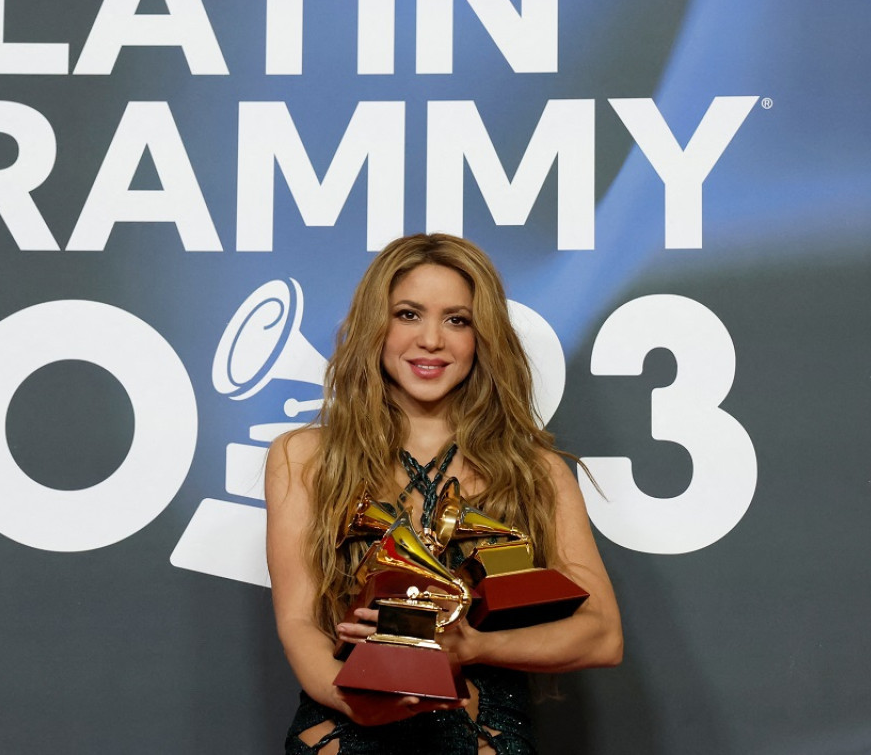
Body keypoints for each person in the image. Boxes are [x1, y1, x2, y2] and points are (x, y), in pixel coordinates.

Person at [266, 233, 623, 754]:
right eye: (408, 314)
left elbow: (602, 635)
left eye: (457, 319)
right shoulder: (303, 456)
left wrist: (473, 647)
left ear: (483, 336)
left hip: (486, 732)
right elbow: (299, 622)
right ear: (375, 325)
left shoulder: (538, 472)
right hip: (346, 728)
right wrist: (358, 700)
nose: (431, 339)